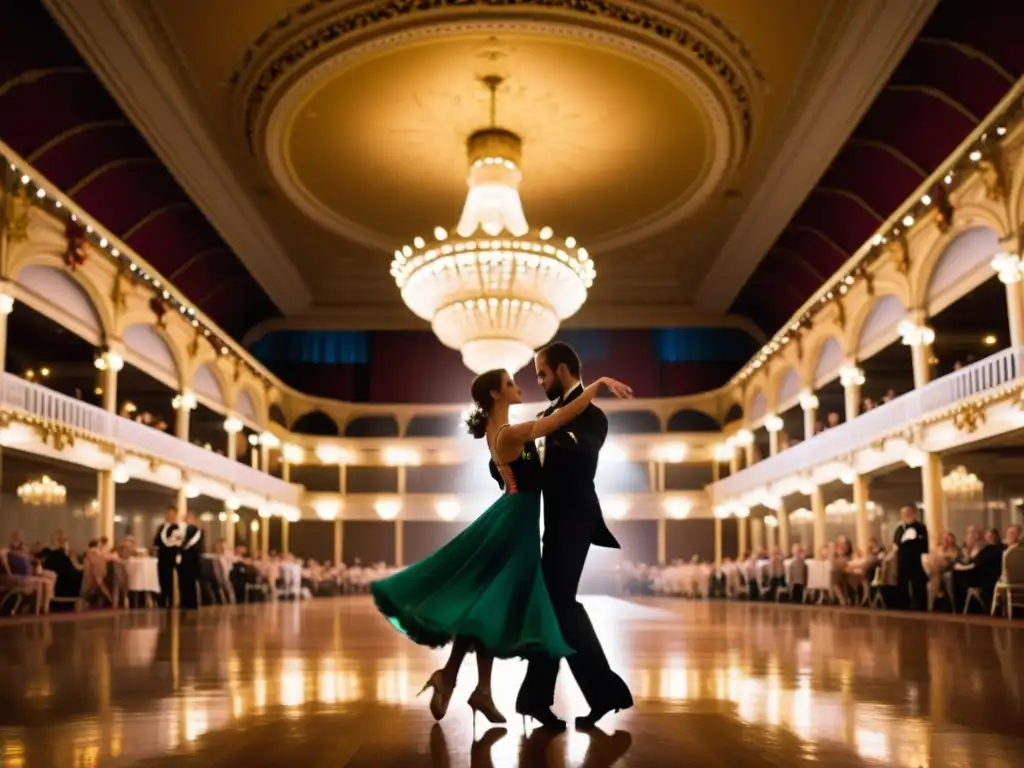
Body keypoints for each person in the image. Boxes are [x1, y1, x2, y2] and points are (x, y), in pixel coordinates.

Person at [370, 364, 633, 727]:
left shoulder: (503, 431)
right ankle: (468, 684)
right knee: (489, 603)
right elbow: (560, 419)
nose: (521, 385)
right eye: (511, 383)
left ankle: (469, 684)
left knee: (488, 604)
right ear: (496, 394)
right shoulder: (509, 432)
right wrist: (599, 384)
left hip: (516, 518)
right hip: (513, 523)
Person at [516, 342, 635, 731]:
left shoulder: (593, 417)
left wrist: (539, 438)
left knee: (558, 605)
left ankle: (550, 697)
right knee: (558, 607)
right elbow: (532, 468)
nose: (539, 382)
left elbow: (578, 454)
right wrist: (506, 459)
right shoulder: (545, 416)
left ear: (564, 369)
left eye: (542, 374)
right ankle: (591, 694)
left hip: (577, 520)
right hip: (553, 523)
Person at [892, 505, 929, 610]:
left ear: (913, 514)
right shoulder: (899, 529)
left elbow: (924, 545)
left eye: (908, 513)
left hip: (916, 561)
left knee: (918, 585)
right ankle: (903, 606)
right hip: (902, 561)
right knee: (902, 585)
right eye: (903, 514)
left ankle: (921, 607)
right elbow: (896, 545)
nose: (905, 516)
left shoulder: (921, 528)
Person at [154, 507, 182, 609]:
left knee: (170, 580)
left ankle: (171, 602)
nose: (169, 516)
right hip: (162, 557)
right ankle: (162, 601)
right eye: (167, 513)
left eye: (171, 514)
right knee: (162, 579)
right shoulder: (161, 527)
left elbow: (178, 543)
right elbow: (156, 541)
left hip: (172, 557)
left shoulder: (177, 528)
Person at [177, 512, 204, 610]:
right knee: (183, 582)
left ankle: (190, 602)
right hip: (184, 561)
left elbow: (189, 545)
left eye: (189, 518)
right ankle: (184, 602)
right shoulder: (183, 530)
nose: (187, 520)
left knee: (190, 583)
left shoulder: (195, 531)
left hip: (192, 561)